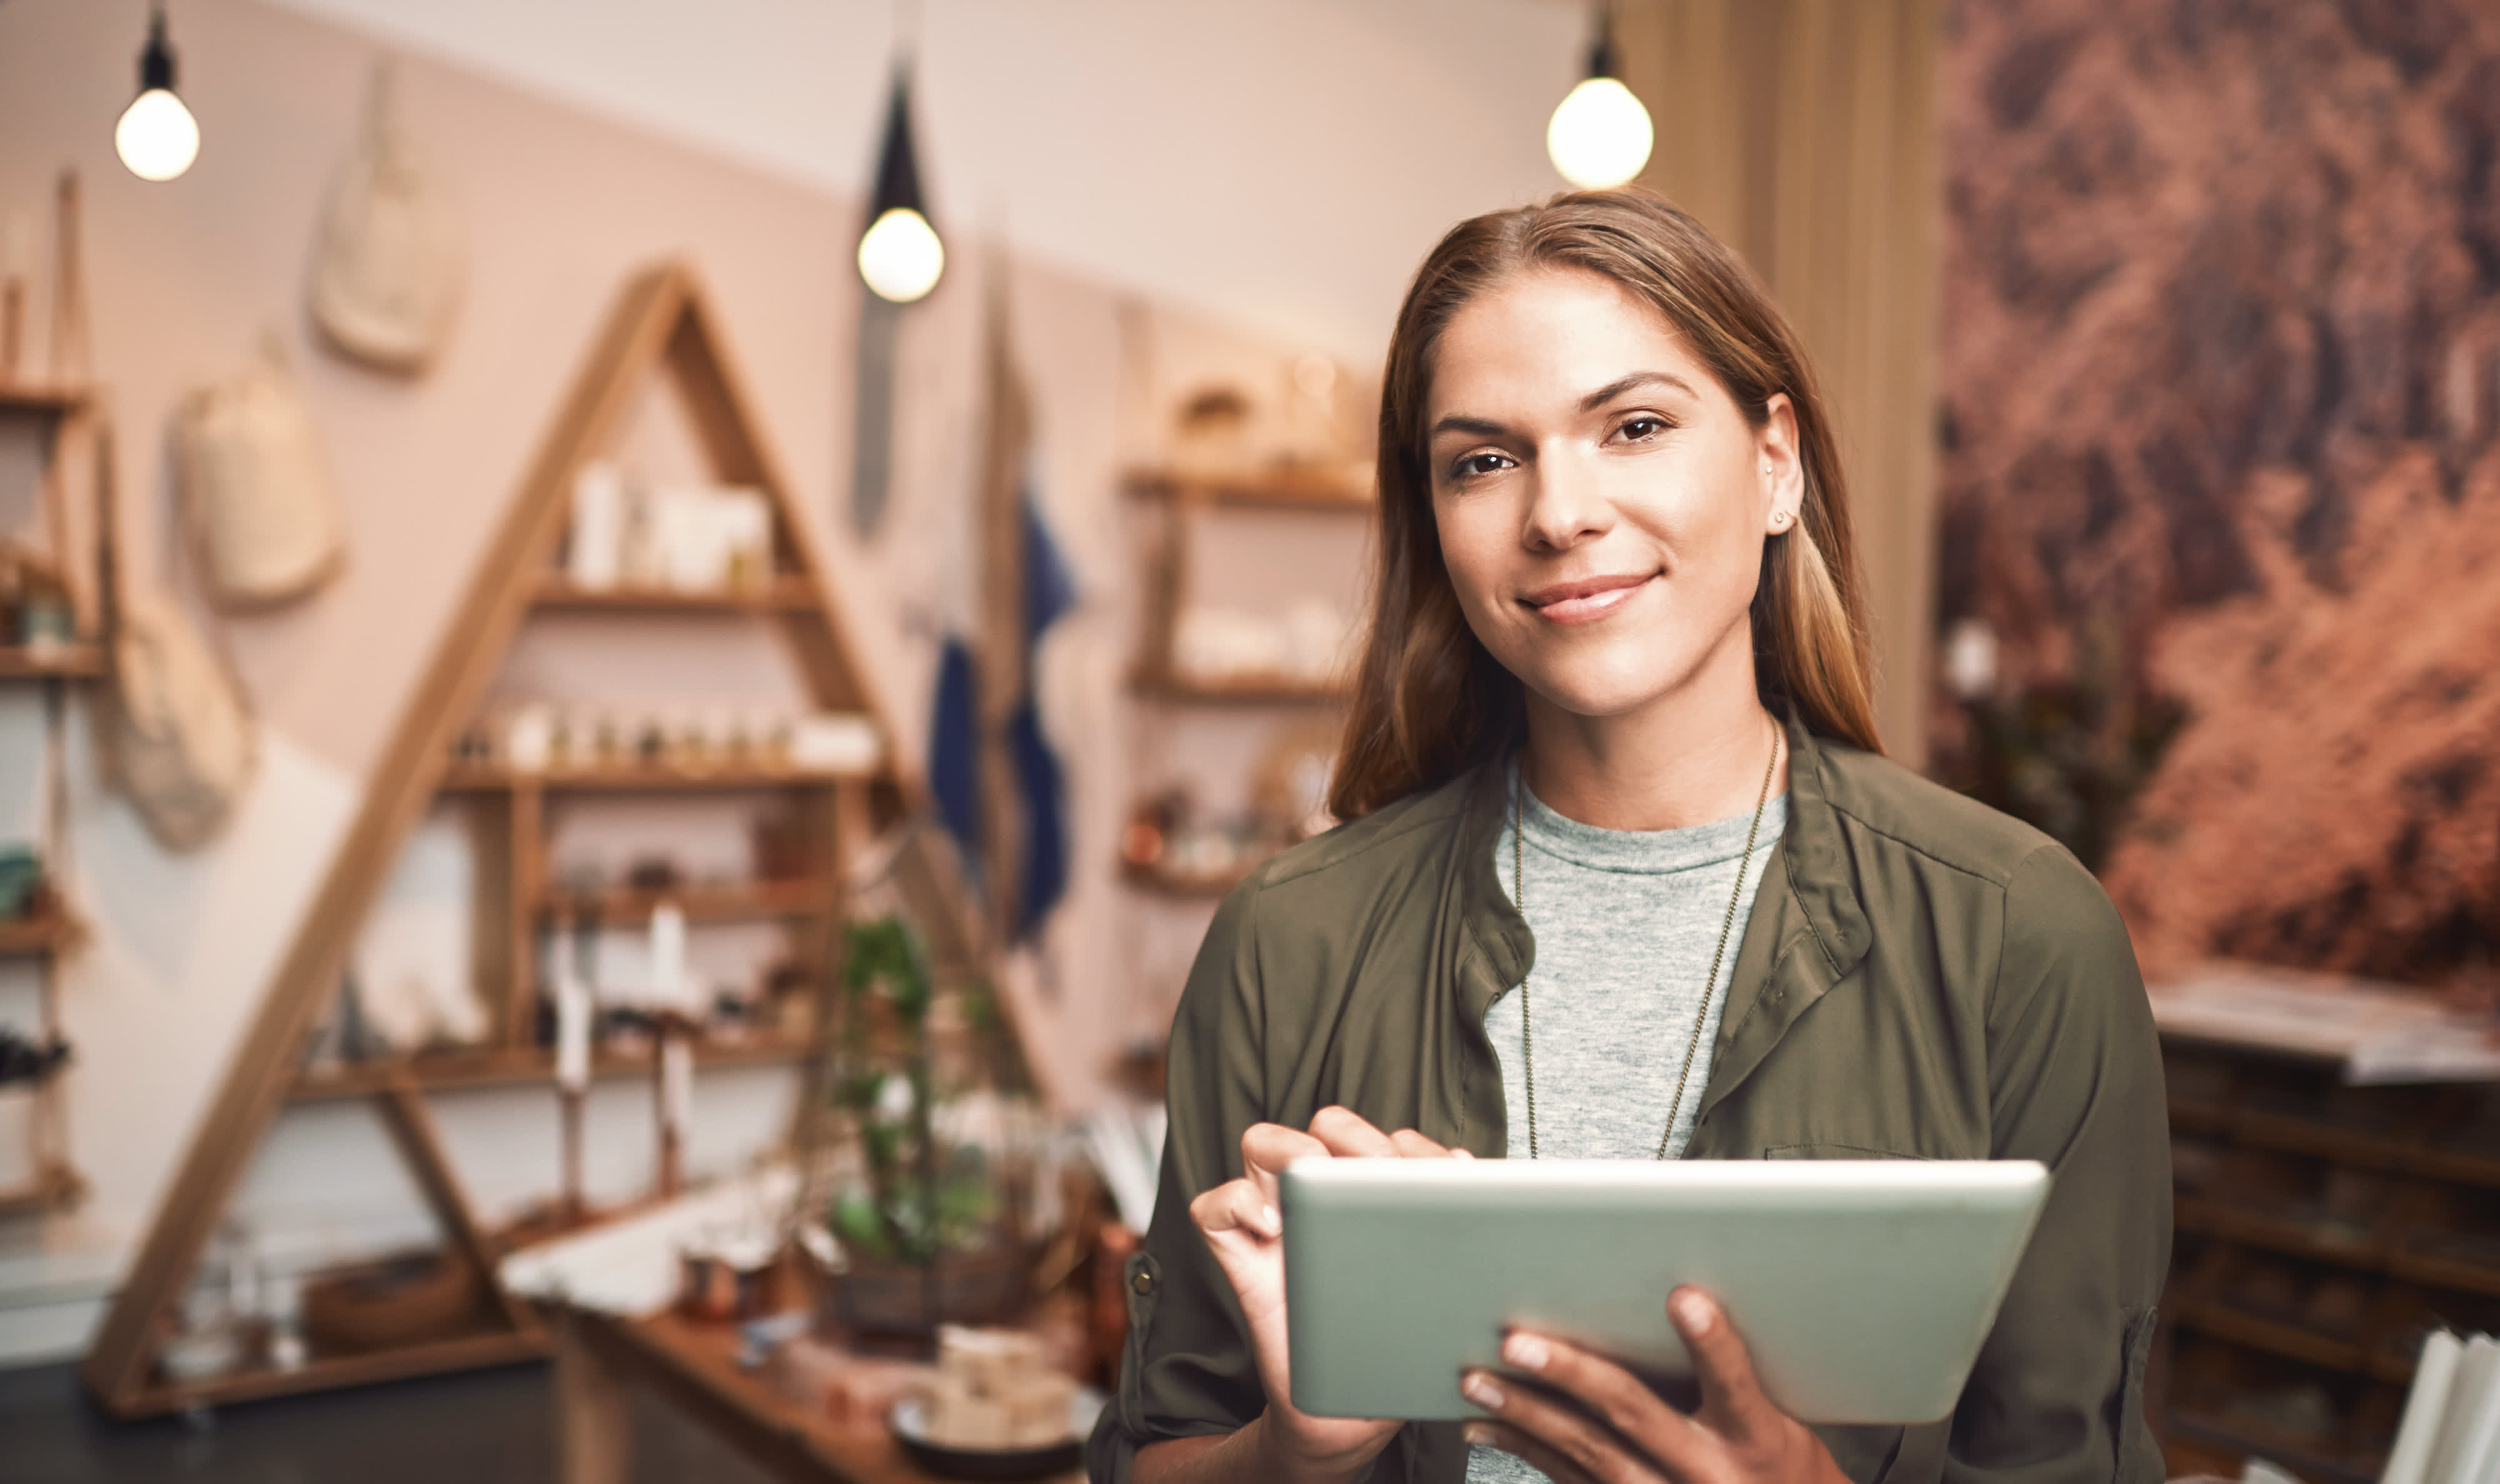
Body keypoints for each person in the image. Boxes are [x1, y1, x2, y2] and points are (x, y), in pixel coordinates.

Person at [1085, 188, 2170, 1484]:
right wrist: (1297, 1447)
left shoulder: (2017, 935)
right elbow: (1151, 1457)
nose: (1557, 513)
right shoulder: (1288, 939)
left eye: (1634, 426)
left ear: (1776, 463)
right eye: (1482, 460)